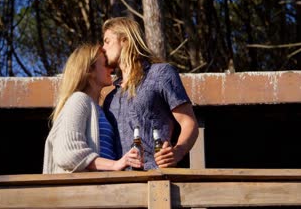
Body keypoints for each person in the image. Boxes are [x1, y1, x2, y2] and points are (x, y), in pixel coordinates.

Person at [101, 17, 199, 170]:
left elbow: (189, 122)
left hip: (155, 179)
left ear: (125, 40)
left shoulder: (161, 74)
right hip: (119, 185)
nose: (103, 48)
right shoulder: (110, 98)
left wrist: (177, 152)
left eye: (107, 41)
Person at [43, 43, 143, 174]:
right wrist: (115, 164)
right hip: (81, 192)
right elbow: (67, 152)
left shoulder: (99, 109)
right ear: (90, 71)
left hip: (101, 190)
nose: (111, 69)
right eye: (105, 64)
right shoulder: (79, 100)